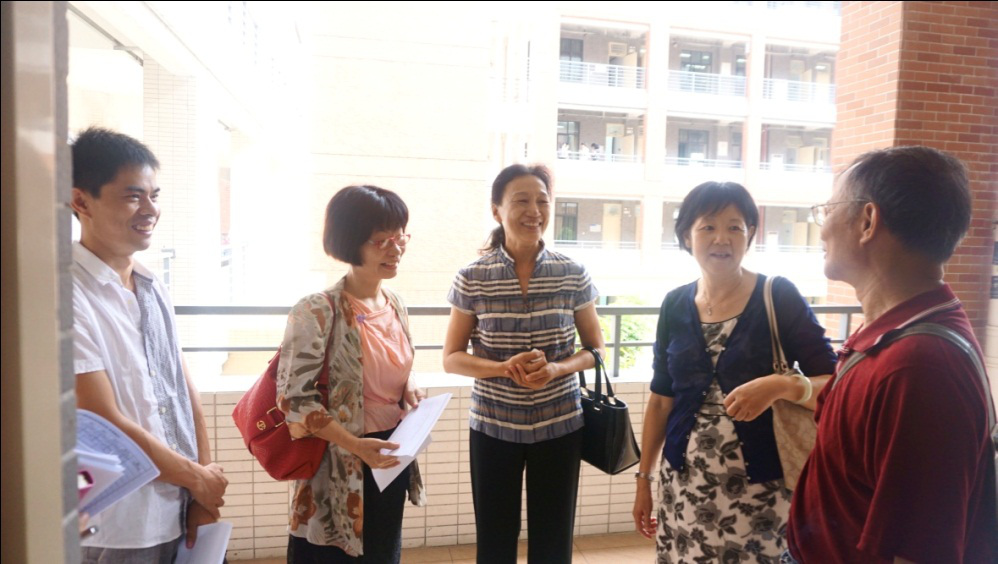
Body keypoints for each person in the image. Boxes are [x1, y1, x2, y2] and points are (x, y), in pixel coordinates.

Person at [786, 146, 997, 563]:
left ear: (867, 221)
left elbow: (921, 553)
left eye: (828, 210)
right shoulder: (892, 335)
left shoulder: (920, 367)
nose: (822, 229)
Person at [631, 181, 836, 562]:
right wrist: (644, 479)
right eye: (708, 226)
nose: (721, 238)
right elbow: (661, 401)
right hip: (683, 483)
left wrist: (782, 385)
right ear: (687, 236)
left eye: (734, 227)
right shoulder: (674, 304)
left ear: (750, 233)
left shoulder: (778, 296)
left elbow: (836, 387)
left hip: (762, 491)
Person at [71, 127, 228, 561]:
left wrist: (201, 489)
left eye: (154, 195)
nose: (150, 209)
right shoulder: (66, 292)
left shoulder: (152, 284)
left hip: (174, 508)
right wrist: (196, 479)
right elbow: (99, 418)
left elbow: (183, 389)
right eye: (132, 196)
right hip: (116, 523)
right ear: (81, 201)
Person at [442, 164, 605, 563]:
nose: (534, 211)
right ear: (496, 209)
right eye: (521, 201)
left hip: (560, 424)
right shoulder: (472, 277)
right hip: (493, 425)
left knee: (554, 539)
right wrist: (503, 368)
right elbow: (451, 358)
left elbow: (596, 349)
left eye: (542, 201)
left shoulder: (572, 273)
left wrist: (557, 369)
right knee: (495, 539)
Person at [278, 185, 426, 563]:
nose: (395, 249)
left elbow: (390, 367)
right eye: (381, 241)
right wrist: (356, 446)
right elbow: (294, 401)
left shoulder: (395, 304)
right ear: (349, 242)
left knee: (382, 552)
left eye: (400, 237)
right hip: (338, 463)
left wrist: (408, 384)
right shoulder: (316, 310)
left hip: (390, 454)